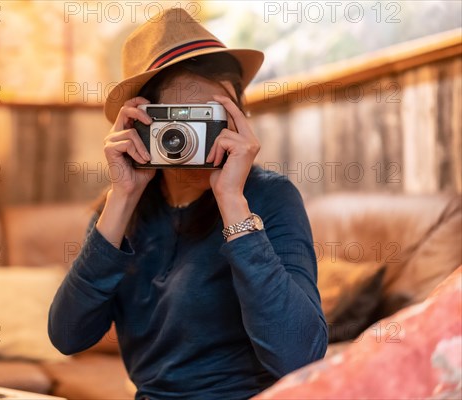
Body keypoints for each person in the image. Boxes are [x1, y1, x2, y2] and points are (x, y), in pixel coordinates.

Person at [49, 8, 328, 400]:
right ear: (142, 124)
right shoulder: (123, 209)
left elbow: (299, 357)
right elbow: (68, 336)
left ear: (240, 118)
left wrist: (232, 200)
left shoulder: (269, 197)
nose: (198, 138)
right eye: (180, 122)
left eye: (212, 118)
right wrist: (121, 198)